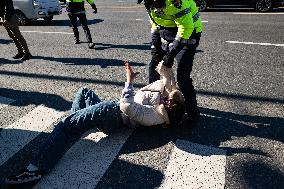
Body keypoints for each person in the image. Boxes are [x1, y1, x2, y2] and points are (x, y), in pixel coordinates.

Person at [5, 61, 186, 184]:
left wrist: (129, 81)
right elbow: (167, 79)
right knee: (84, 92)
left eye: (170, 100)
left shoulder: (156, 115)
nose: (167, 96)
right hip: (109, 113)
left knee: (64, 127)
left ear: (170, 108)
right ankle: (72, 127)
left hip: (111, 113)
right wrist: (167, 62)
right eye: (169, 96)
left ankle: (37, 169)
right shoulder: (166, 97)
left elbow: (127, 107)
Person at [137, 0, 203, 121]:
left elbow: (186, 26)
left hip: (189, 34)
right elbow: (155, 23)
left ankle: (193, 114)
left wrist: (172, 53)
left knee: (183, 78)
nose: (153, 5)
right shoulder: (149, 3)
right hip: (167, 32)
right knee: (154, 67)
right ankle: (154, 102)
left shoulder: (176, 2)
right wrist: (155, 44)